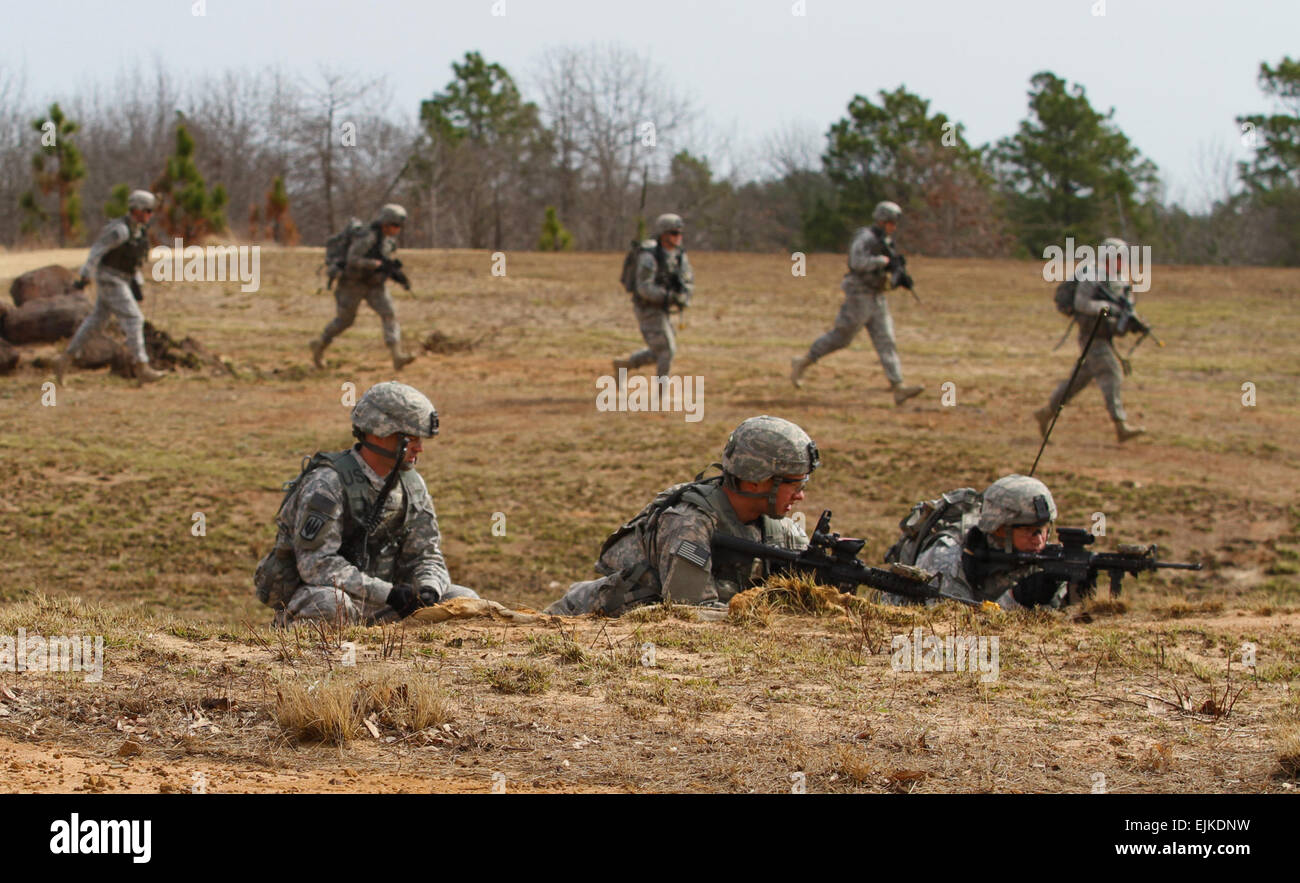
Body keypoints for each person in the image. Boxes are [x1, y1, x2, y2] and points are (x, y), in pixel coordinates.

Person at [254, 381, 479, 625]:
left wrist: (429, 588)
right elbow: (316, 565)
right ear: (379, 433)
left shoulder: (412, 486)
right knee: (333, 605)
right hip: (328, 599)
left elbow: (427, 554)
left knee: (463, 601)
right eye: (411, 437)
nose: (420, 448)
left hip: (387, 608)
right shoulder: (328, 483)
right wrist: (388, 593)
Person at [545, 416, 816, 616]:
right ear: (755, 480)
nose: (800, 495)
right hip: (582, 622)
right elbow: (688, 613)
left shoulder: (778, 529)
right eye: (794, 484)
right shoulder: (689, 523)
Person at [790, 200, 923, 405]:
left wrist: (898, 277)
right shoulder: (866, 237)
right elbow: (856, 262)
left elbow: (885, 267)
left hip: (876, 295)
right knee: (842, 337)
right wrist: (883, 262)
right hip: (859, 296)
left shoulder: (886, 241)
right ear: (881, 220)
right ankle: (804, 361)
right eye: (891, 222)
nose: (893, 227)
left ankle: (898, 387)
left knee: (886, 340)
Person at [885, 474, 1067, 609]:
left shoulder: (1041, 560)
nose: (1039, 539)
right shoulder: (947, 556)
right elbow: (953, 628)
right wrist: (1015, 599)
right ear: (999, 529)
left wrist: (1077, 596)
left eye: (1043, 529)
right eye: (1028, 530)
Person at [1034, 237, 1147, 442]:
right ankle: (1120, 426)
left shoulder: (1120, 281)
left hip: (1105, 336)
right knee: (1111, 373)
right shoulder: (1092, 277)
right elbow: (1081, 303)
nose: (1123, 261)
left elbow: (1126, 309)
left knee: (1077, 382)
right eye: (1118, 257)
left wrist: (1135, 323)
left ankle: (1046, 412)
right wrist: (1106, 307)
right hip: (1091, 337)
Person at [54, 190, 164, 385]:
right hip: (110, 280)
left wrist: (138, 284)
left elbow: (134, 262)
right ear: (136, 210)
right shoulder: (119, 230)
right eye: (147, 211)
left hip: (122, 279)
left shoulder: (138, 231)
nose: (150, 215)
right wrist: (85, 274)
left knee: (96, 322)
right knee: (134, 318)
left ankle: (65, 359)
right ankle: (142, 367)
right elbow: (97, 250)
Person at [310, 204, 417, 371]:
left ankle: (397, 356)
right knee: (345, 321)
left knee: (389, 314)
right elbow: (352, 259)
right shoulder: (368, 237)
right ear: (386, 223)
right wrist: (372, 264)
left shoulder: (387, 241)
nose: (398, 229)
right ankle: (320, 345)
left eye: (400, 226)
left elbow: (385, 260)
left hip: (374, 284)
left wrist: (396, 275)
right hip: (351, 284)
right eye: (395, 225)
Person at [613, 212, 694, 384]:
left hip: (663, 307)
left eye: (680, 233)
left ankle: (625, 365)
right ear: (664, 234)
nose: (678, 237)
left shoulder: (679, 256)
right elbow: (644, 287)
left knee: (659, 350)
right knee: (667, 350)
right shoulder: (649, 256)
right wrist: (667, 296)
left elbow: (687, 279)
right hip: (647, 307)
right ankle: (660, 395)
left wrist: (683, 296)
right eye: (674, 233)